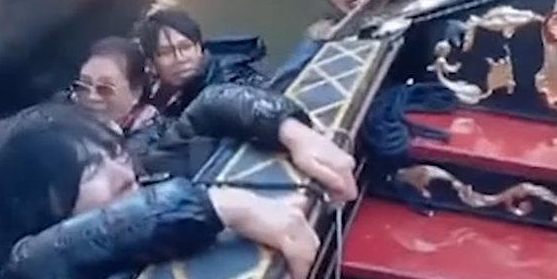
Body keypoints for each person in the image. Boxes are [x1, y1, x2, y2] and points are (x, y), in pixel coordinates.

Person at [0, 86, 355, 279]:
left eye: (114, 153)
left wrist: (291, 130)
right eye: (90, 172)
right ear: (35, 207)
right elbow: (33, 261)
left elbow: (210, 107)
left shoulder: (142, 177)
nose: (122, 173)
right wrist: (222, 205)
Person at [72, 37, 355, 192]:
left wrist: (292, 130)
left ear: (136, 92)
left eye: (105, 89)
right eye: (83, 86)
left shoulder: (151, 139)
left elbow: (214, 101)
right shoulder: (66, 122)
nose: (91, 97)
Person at [135, 9, 268, 118]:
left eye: (186, 47)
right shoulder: (160, 93)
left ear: (199, 48)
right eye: (166, 52)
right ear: (151, 63)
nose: (180, 58)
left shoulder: (229, 78)